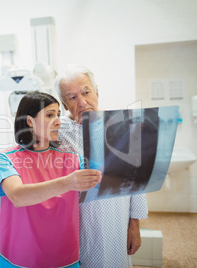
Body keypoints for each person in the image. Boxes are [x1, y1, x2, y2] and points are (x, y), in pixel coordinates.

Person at [0, 91, 102, 268]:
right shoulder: (4, 159)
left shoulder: (73, 159)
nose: (58, 121)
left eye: (58, 114)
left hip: (65, 260)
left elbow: (113, 172)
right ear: (29, 122)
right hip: (17, 261)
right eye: (50, 115)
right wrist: (68, 183)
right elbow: (18, 196)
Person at [54, 64, 148, 268]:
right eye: (72, 97)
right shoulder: (58, 133)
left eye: (86, 92)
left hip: (116, 218)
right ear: (64, 103)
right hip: (76, 223)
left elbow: (135, 182)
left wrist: (134, 225)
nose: (82, 101)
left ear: (97, 91)